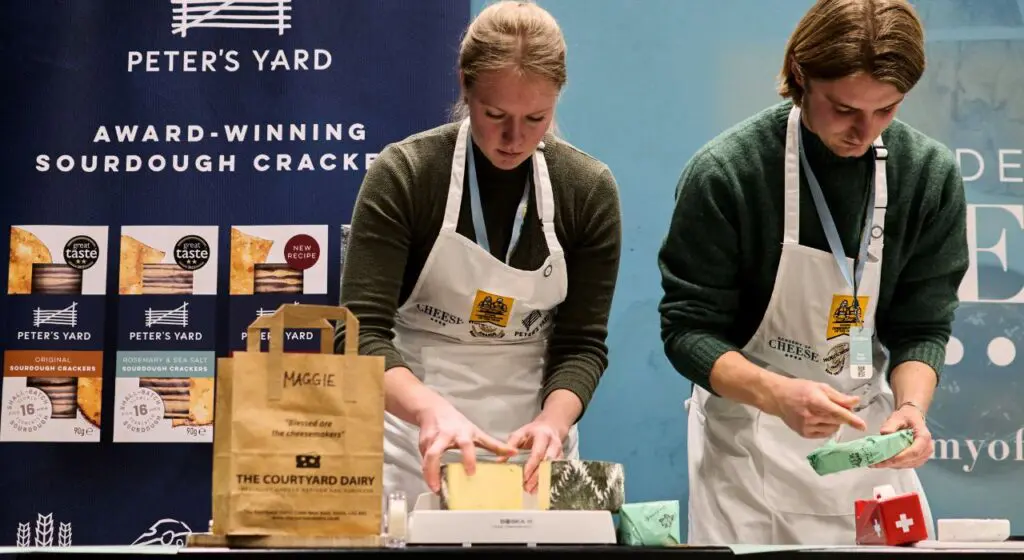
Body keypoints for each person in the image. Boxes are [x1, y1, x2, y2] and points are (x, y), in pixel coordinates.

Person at [657, 0, 968, 546]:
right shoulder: (729, 173)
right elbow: (688, 331)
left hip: (868, 437)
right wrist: (777, 395)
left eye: (886, 110)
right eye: (844, 108)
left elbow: (921, 327)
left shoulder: (928, 175)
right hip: (750, 445)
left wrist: (912, 409)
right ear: (800, 75)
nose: (864, 131)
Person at [337, 0, 622, 507]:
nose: (515, 139)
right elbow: (359, 333)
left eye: (537, 117)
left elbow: (581, 344)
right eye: (496, 116)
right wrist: (429, 412)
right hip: (410, 445)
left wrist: (554, 422)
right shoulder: (406, 175)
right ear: (465, 88)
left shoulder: (586, 189)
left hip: (534, 449)